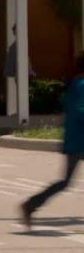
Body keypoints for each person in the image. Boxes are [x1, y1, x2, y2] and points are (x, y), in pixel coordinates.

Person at [19, 51, 84, 230]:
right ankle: (31, 204)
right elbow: (80, 111)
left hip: (74, 139)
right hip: (80, 139)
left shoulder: (75, 84)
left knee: (65, 181)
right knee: (65, 181)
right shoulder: (81, 85)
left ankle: (31, 204)